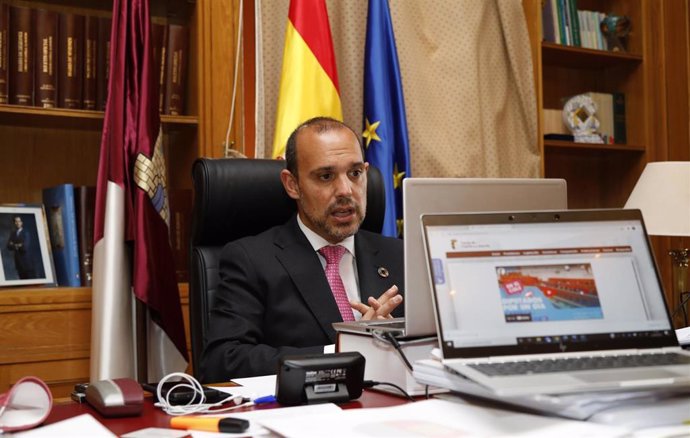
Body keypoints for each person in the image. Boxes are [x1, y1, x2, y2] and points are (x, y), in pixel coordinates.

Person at [200, 117, 404, 380]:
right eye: (326, 176)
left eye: (355, 174)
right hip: (305, 413)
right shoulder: (251, 259)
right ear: (292, 184)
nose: (345, 190)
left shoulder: (399, 255)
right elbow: (222, 360)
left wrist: (396, 342)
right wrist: (345, 351)